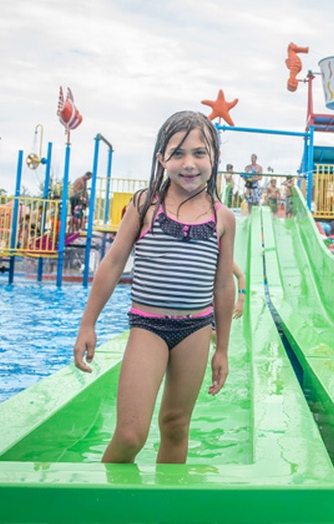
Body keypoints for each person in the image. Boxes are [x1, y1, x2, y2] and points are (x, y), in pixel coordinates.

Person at [72, 110, 235, 464]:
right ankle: (104, 506)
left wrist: (222, 347)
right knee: (131, 434)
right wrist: (88, 323)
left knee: (176, 426)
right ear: (161, 159)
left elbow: (223, 285)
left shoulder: (223, 218)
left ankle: (165, 509)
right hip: (149, 327)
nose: (188, 163)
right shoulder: (146, 204)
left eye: (199, 153)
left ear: (215, 157)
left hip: (195, 330)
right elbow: (113, 263)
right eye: (177, 153)